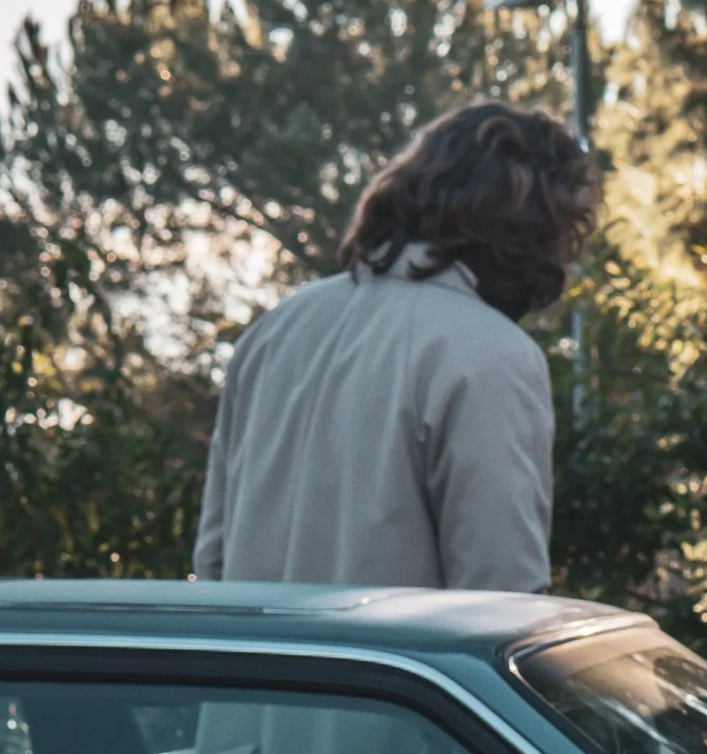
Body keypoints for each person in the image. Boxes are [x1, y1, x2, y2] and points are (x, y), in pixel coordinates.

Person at [193, 97, 601, 593]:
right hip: (395, 672)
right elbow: (502, 597)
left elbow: (212, 561)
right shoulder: (491, 354)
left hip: (260, 669)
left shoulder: (273, 330)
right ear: (525, 228)